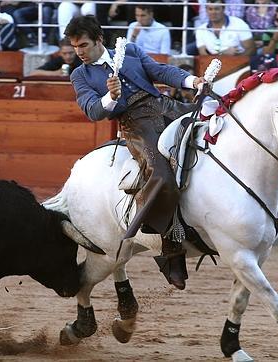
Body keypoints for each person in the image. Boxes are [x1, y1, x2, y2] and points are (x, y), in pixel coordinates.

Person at [65, 15, 206, 290]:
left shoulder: (128, 50)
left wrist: (192, 81)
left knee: (216, 125)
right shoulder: (80, 75)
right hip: (136, 126)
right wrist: (111, 98)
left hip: (164, 107)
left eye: (83, 45)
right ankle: (170, 249)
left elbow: (160, 71)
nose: (79, 52)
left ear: (99, 40)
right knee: (162, 175)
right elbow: (92, 110)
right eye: (75, 47)